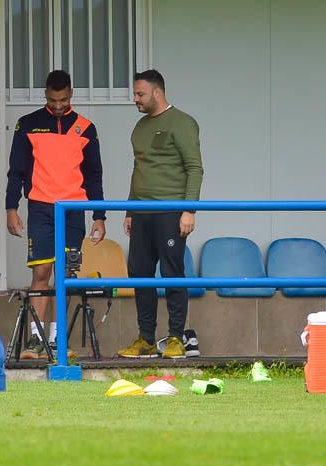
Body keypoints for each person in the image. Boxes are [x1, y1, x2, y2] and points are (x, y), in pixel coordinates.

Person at [6, 70, 106, 359]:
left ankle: (56, 339)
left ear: (71, 93)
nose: (58, 105)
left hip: (74, 210)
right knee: (41, 272)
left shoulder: (86, 128)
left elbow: (94, 176)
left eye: (63, 99)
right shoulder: (28, 124)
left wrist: (99, 216)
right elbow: (17, 170)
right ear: (45, 94)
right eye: (52, 99)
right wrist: (11, 207)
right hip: (40, 207)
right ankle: (35, 340)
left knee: (65, 274)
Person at [117, 69, 204, 359]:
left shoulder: (183, 123)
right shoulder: (139, 128)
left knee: (172, 273)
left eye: (140, 94)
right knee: (140, 274)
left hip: (170, 212)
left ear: (157, 92)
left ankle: (177, 337)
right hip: (141, 212)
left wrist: (189, 210)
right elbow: (138, 170)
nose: (135, 99)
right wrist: (130, 208)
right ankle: (145, 338)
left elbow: (195, 168)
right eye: (134, 93)